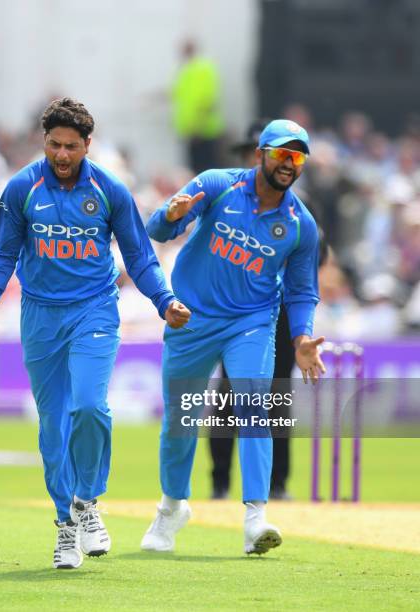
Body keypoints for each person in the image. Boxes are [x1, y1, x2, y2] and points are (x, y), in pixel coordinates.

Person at [0, 97, 191, 570]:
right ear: (44, 142)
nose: (62, 155)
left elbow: (139, 255)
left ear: (87, 145)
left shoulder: (109, 190)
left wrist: (165, 301)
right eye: (54, 145)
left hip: (94, 311)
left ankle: (87, 504)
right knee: (53, 425)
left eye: (71, 147)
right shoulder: (22, 187)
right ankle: (65, 526)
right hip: (40, 316)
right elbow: (1, 255)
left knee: (90, 406)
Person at [142, 119, 326, 555]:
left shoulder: (301, 224)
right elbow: (156, 230)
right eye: (281, 153)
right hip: (192, 318)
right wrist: (170, 216)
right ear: (260, 153)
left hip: (252, 322)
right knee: (179, 419)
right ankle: (171, 509)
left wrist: (302, 338)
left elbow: (302, 291)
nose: (288, 163)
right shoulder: (216, 185)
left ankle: (255, 518)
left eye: (297, 156)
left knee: (253, 405)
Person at [171, 40, 225, 173]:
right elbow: (176, 93)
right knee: (194, 171)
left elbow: (208, 101)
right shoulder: (185, 70)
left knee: (206, 170)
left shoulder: (203, 69)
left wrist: (198, 127)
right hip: (191, 132)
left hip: (203, 132)